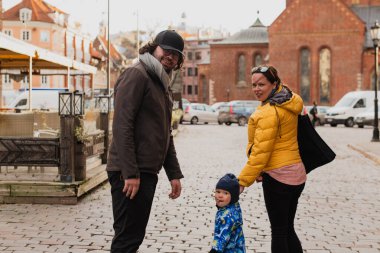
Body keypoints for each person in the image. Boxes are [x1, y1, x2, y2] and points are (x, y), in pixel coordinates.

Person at [106, 30, 185, 253]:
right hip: (130, 172)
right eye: (166, 51)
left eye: (176, 55)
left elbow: (164, 133)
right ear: (154, 48)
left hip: (146, 171)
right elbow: (122, 126)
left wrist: (174, 173)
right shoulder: (137, 74)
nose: (170, 57)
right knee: (127, 238)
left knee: (133, 236)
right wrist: (130, 173)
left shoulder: (160, 82)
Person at [238, 65, 306, 253]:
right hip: (297, 174)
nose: (257, 89)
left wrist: (242, 181)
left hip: (279, 177)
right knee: (287, 228)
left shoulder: (267, 112)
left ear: (274, 84)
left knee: (278, 231)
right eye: (254, 85)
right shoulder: (289, 101)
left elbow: (261, 152)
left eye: (262, 84)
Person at [210, 173, 245, 253]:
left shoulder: (228, 216)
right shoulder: (233, 207)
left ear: (233, 197)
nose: (220, 196)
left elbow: (222, 238)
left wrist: (214, 251)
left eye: (225, 193)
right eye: (218, 192)